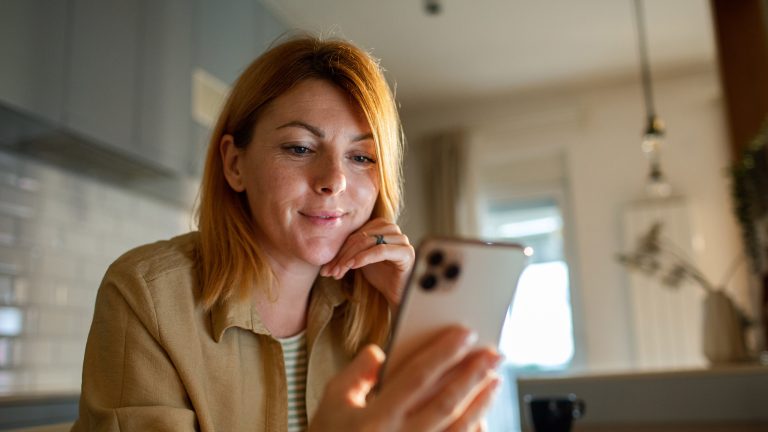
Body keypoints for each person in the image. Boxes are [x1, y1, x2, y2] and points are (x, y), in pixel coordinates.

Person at [72, 35, 501, 432]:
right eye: (299, 148)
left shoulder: (380, 310)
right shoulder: (147, 296)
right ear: (235, 164)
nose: (334, 180)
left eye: (362, 157)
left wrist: (416, 316)